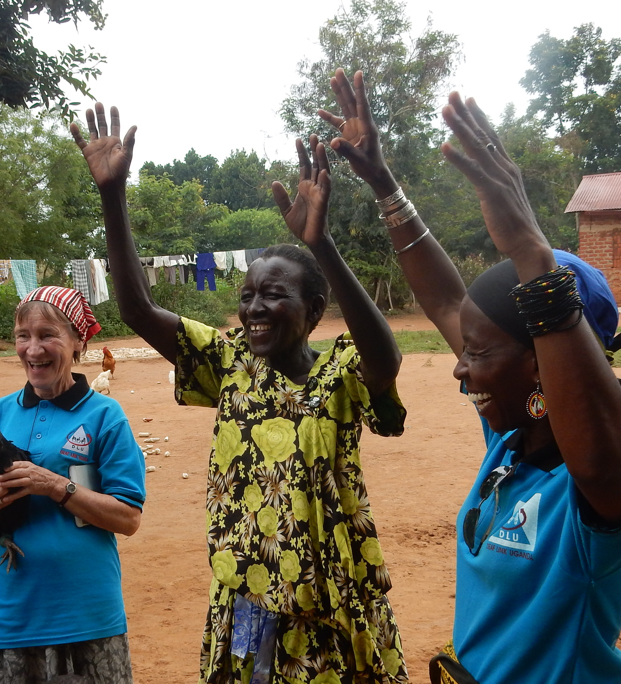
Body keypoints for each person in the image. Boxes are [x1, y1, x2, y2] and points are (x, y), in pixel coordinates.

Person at [318, 70, 621, 684]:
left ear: (542, 361)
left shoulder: (606, 484)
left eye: (477, 352)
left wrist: (532, 255)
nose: (459, 365)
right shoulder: (511, 445)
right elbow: (448, 304)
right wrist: (383, 184)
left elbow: (594, 457)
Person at [71, 105, 408, 684]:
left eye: (273, 295)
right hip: (247, 601)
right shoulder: (227, 364)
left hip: (332, 603)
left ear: (312, 312)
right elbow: (136, 309)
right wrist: (113, 196)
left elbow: (386, 358)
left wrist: (321, 243)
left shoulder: (341, 375)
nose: (253, 309)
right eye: (248, 295)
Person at [0, 285, 146, 683]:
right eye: (23, 336)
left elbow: (128, 518)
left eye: (47, 335)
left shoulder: (105, 416)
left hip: (84, 617)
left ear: (78, 341)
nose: (33, 349)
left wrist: (57, 486)